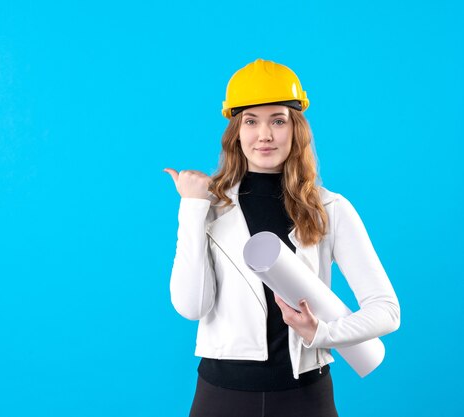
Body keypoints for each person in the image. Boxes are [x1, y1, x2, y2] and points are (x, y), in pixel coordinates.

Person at [163, 58, 401, 417]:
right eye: (251, 121)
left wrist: (320, 332)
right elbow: (191, 306)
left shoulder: (330, 208)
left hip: (305, 397)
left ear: (296, 129)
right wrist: (192, 208)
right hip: (221, 396)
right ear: (236, 132)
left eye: (278, 120)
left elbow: (387, 311)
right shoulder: (209, 208)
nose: (265, 135)